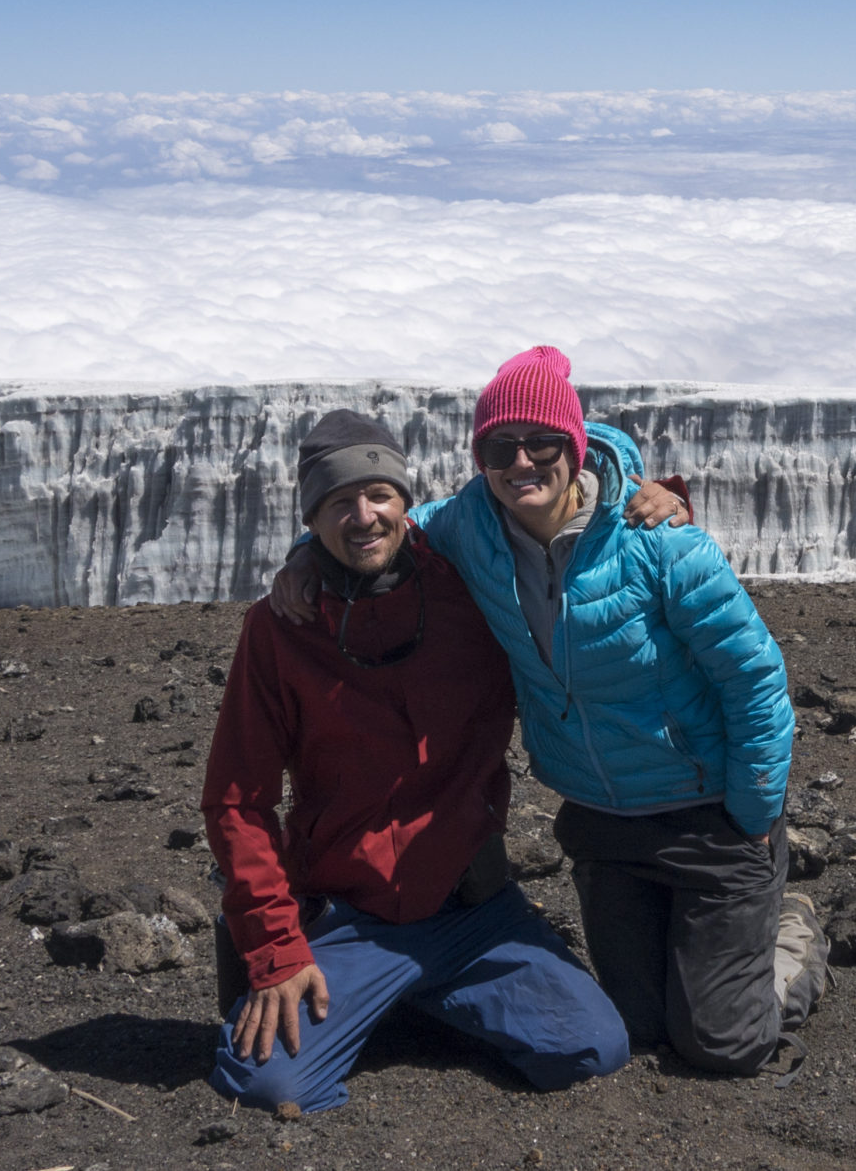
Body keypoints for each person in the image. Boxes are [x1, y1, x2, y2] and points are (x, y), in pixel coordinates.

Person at [273, 348, 829, 1080]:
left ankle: (790, 937)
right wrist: (309, 554)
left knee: (721, 1044)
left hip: (712, 817)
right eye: (500, 447)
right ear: (481, 459)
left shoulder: (659, 543)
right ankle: (711, 952)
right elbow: (378, 531)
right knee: (635, 1027)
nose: (522, 462)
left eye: (543, 443)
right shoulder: (468, 529)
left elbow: (755, 683)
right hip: (603, 822)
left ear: (575, 445)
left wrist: (755, 814)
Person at [200, 409, 631, 1114]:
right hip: (350, 917)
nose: (363, 516)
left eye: (378, 494)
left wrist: (654, 493)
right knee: (273, 1086)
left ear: (407, 500)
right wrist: (274, 948)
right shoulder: (281, 629)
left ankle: (400, 999)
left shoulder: (473, 586)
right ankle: (364, 989)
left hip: (473, 913)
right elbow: (236, 802)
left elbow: (566, 499)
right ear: (311, 519)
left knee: (591, 1047)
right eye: (338, 502)